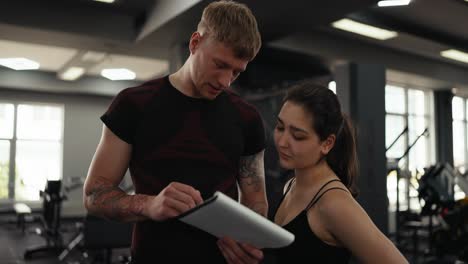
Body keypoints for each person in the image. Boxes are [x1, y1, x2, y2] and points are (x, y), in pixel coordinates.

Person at [83, 1, 268, 263]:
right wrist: (149, 205)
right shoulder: (133, 104)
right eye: (220, 64)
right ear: (195, 43)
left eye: (236, 72)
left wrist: (249, 241)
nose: (226, 81)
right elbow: (94, 195)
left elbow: (256, 200)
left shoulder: (247, 118)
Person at [271, 81, 408, 263]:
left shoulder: (333, 203)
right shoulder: (291, 185)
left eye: (298, 136)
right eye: (280, 127)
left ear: (327, 144)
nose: (282, 142)